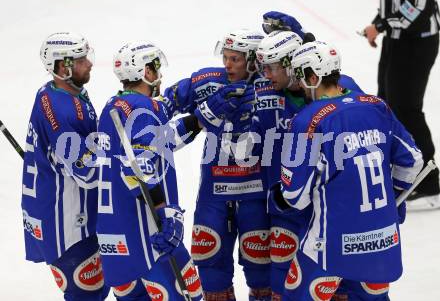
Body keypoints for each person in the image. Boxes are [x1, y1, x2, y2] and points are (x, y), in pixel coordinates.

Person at [277, 40, 423, 300]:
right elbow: (412, 161)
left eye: (300, 77)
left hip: (330, 243)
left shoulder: (306, 121)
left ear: (313, 76)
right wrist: (395, 195)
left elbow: (295, 197)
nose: (298, 85)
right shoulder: (377, 106)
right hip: (382, 239)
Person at [159, 29, 273, 300]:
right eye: (226, 57)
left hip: (255, 194)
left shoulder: (271, 87)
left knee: (262, 274)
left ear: (253, 61)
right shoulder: (208, 82)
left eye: (235, 59)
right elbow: (161, 107)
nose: (227, 65)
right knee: (211, 272)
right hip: (215, 194)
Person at [95, 41, 204, 300]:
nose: (159, 74)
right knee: (189, 297)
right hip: (149, 234)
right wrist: (165, 213)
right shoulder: (144, 108)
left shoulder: (112, 106)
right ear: (144, 71)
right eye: (155, 67)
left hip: (115, 238)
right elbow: (139, 168)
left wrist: (200, 119)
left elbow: (161, 140)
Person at [21, 32, 109, 300]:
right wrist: (112, 144)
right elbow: (87, 172)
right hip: (69, 224)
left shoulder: (52, 92)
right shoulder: (63, 110)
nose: (90, 64)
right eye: (82, 60)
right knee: (88, 295)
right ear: (63, 66)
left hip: (59, 209)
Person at [363, 0, 440, 210]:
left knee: (406, 110)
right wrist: (379, 24)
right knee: (386, 105)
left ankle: (429, 183)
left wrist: (380, 26)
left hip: (417, 43)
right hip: (396, 40)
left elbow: (418, 8)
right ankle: (401, 172)